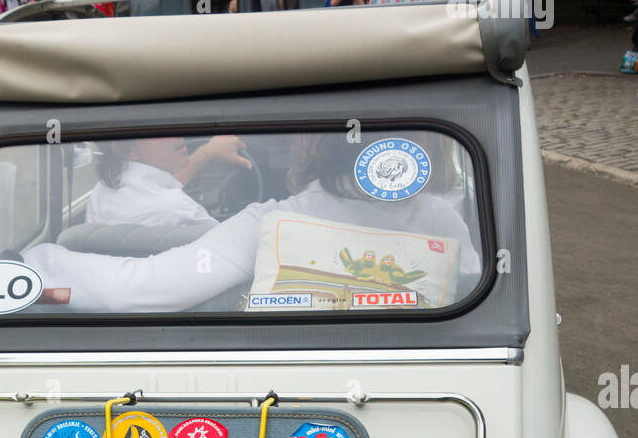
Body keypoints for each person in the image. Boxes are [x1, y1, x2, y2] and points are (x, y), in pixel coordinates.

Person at [25, 132, 481, 312]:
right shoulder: (444, 222)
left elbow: (138, 287)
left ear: (311, 144)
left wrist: (35, 261)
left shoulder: (271, 224)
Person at [86, 135, 253, 228]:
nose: (177, 135)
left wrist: (208, 152)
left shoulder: (100, 192)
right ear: (127, 149)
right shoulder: (178, 208)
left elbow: (154, 191)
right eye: (161, 129)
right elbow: (229, 249)